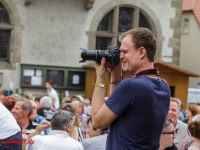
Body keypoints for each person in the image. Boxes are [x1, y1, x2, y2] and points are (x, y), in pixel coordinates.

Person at [91, 27, 171, 149]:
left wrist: (100, 78)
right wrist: (115, 75)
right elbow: (118, 109)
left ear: (142, 52)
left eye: (125, 52)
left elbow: (97, 122)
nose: (120, 56)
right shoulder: (163, 85)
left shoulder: (131, 85)